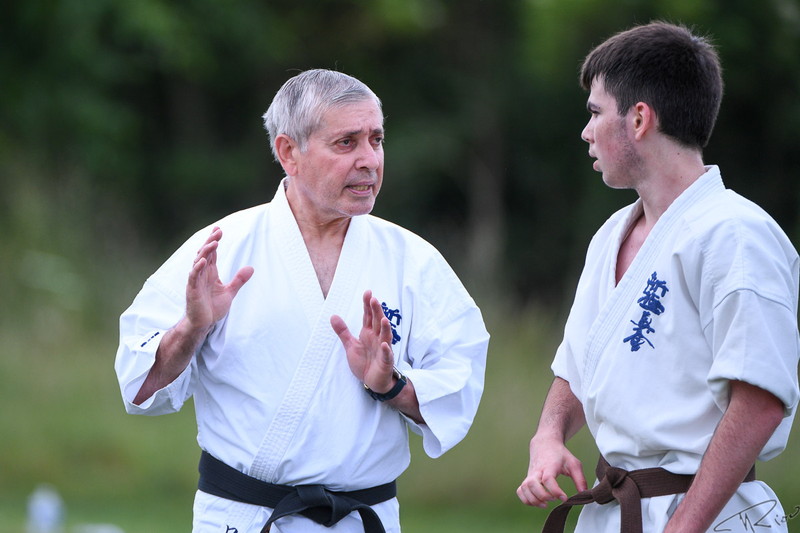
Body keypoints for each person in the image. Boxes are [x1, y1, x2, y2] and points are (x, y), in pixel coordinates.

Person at [115, 69, 489, 533]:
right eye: (347, 143)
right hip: (243, 519)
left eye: (376, 140)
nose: (370, 160)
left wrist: (390, 385)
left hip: (362, 520)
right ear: (289, 152)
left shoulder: (413, 261)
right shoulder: (221, 249)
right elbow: (138, 385)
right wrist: (192, 328)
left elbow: (458, 387)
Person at [516, 21, 799, 533]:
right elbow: (579, 366)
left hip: (709, 514)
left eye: (595, 113)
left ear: (640, 119)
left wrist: (683, 527)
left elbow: (760, 400)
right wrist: (548, 435)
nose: (586, 132)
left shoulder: (736, 235)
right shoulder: (611, 235)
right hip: (615, 510)